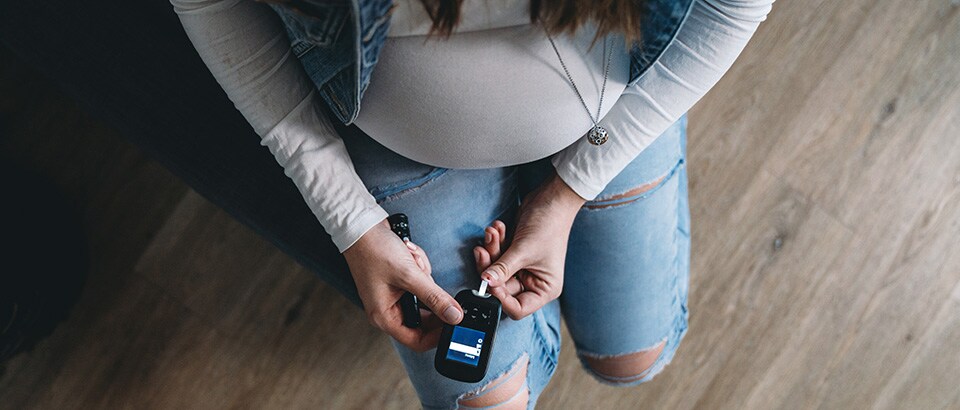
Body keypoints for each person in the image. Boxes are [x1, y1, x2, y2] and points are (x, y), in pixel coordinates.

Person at [171, 0, 773, 407]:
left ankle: (617, 143)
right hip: (396, 137)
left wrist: (569, 192)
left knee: (632, 359)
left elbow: (731, 7)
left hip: (606, 112)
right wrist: (350, 222)